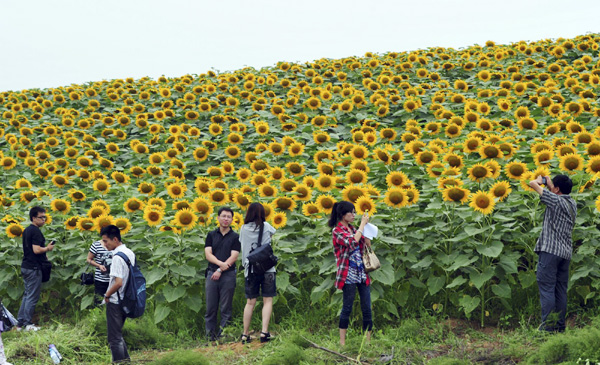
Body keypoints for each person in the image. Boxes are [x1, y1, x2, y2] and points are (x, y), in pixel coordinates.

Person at [529, 174, 576, 332]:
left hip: (550, 251)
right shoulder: (572, 203)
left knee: (547, 288)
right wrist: (551, 186)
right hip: (565, 253)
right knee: (560, 289)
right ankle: (559, 326)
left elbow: (532, 184)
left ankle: (547, 328)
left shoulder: (554, 201)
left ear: (556, 189)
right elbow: (554, 193)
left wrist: (539, 181)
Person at [329, 201, 373, 346]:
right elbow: (352, 243)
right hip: (348, 274)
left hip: (362, 272)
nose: (354, 215)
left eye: (355, 212)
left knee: (367, 306)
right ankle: (342, 343)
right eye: (351, 212)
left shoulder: (354, 229)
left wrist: (367, 237)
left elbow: (364, 245)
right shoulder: (337, 231)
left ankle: (368, 342)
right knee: (347, 307)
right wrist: (362, 226)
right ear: (343, 215)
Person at [239, 203, 277, 343]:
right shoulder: (266, 226)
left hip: (251, 270)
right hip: (267, 269)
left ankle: (245, 334)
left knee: (250, 303)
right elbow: (273, 235)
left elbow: (242, 245)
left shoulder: (243, 228)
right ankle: (264, 332)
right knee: (267, 300)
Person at [204, 207, 240, 341]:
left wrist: (220, 270)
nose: (226, 219)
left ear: (232, 219)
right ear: (218, 218)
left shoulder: (235, 237)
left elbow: (234, 256)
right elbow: (208, 254)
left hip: (228, 275)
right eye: (223, 216)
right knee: (210, 307)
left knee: (226, 307)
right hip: (211, 274)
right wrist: (220, 265)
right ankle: (210, 337)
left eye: (229, 217)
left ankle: (224, 336)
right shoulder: (211, 235)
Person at [17, 206, 55, 331]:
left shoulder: (27, 230)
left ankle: (20, 324)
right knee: (32, 296)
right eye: (41, 217)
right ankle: (28, 324)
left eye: (45, 217)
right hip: (33, 268)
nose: (44, 220)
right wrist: (48, 249)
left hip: (26, 266)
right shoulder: (36, 231)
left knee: (27, 295)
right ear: (34, 218)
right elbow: (36, 249)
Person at [102, 225, 135, 363]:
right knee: (118, 334)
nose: (104, 244)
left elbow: (118, 282)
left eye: (106, 241)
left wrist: (107, 295)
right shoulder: (129, 252)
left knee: (114, 338)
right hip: (126, 299)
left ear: (115, 239)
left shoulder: (116, 257)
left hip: (115, 300)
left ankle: (119, 362)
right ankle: (126, 361)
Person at [87, 239, 113, 305]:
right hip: (100, 279)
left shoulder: (115, 244)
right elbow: (89, 259)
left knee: (113, 303)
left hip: (114, 280)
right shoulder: (96, 245)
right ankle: (99, 315)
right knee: (99, 302)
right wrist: (99, 266)